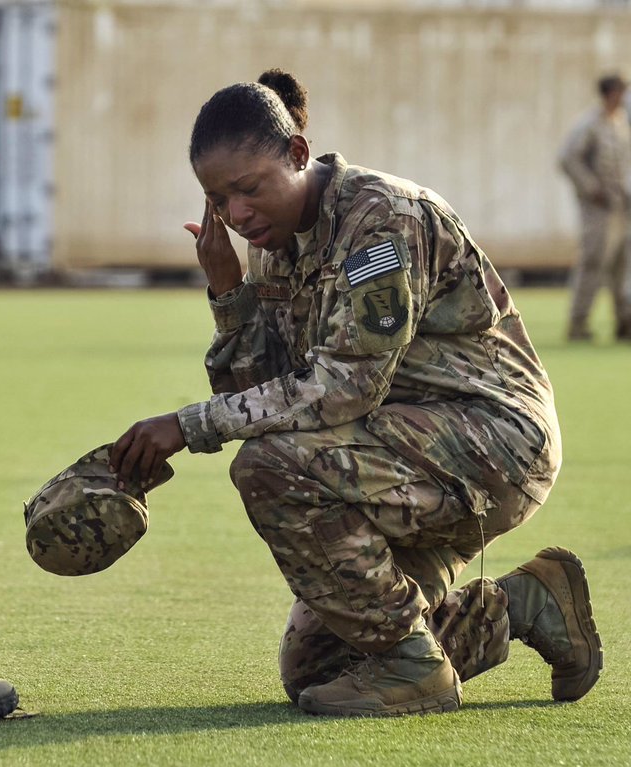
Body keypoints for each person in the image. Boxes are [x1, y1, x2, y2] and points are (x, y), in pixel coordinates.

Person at [108, 69, 603, 717]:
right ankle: (527, 604)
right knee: (317, 667)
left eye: (248, 190)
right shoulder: (271, 246)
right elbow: (271, 402)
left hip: (491, 442)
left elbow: (346, 386)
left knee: (267, 469)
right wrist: (230, 296)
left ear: (297, 155)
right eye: (218, 199)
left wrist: (188, 424)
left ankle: (414, 667)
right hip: (391, 454)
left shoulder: (383, 222)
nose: (237, 214)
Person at [558, 72, 631, 341]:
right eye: (622, 91)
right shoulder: (589, 124)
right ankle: (578, 325)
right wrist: (592, 189)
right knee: (593, 264)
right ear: (611, 93)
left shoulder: (620, 123)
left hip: (621, 207)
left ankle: (625, 323)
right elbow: (567, 159)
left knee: (622, 267)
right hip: (598, 210)